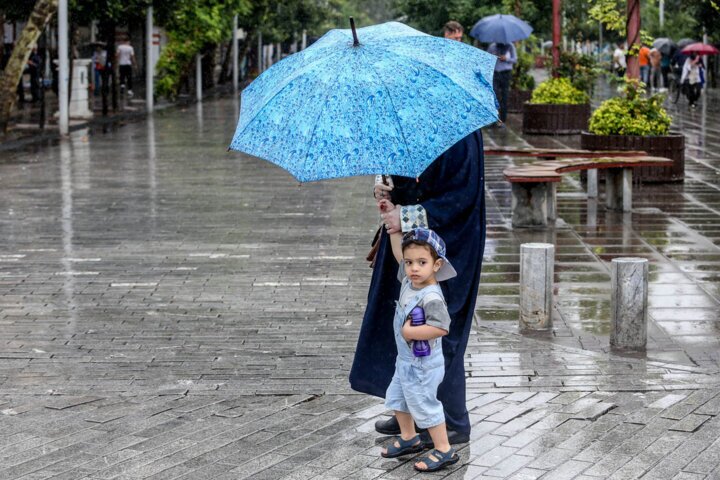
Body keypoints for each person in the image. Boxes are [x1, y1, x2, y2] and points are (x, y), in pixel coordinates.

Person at [350, 128, 486, 448]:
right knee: (403, 326)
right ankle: (411, 412)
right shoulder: (408, 119)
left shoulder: (461, 130)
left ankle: (450, 420)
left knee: (438, 328)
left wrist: (406, 215)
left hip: (446, 248)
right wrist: (388, 194)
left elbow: (461, 196)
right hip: (409, 246)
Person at [375, 224, 459, 472]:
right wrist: (392, 229)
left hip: (423, 364)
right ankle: (409, 437)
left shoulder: (431, 296)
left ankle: (444, 449)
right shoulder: (410, 282)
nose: (413, 268)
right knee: (398, 398)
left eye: (421, 262)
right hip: (405, 361)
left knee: (424, 403)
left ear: (437, 265)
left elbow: (442, 327)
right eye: (409, 262)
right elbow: (399, 254)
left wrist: (410, 332)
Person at [487, 41, 517, 123]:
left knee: (505, 95)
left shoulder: (510, 46)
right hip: (495, 73)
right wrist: (493, 57)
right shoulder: (492, 46)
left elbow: (515, 59)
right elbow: (487, 58)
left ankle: (503, 118)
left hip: (506, 73)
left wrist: (506, 58)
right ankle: (494, 118)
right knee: (494, 95)